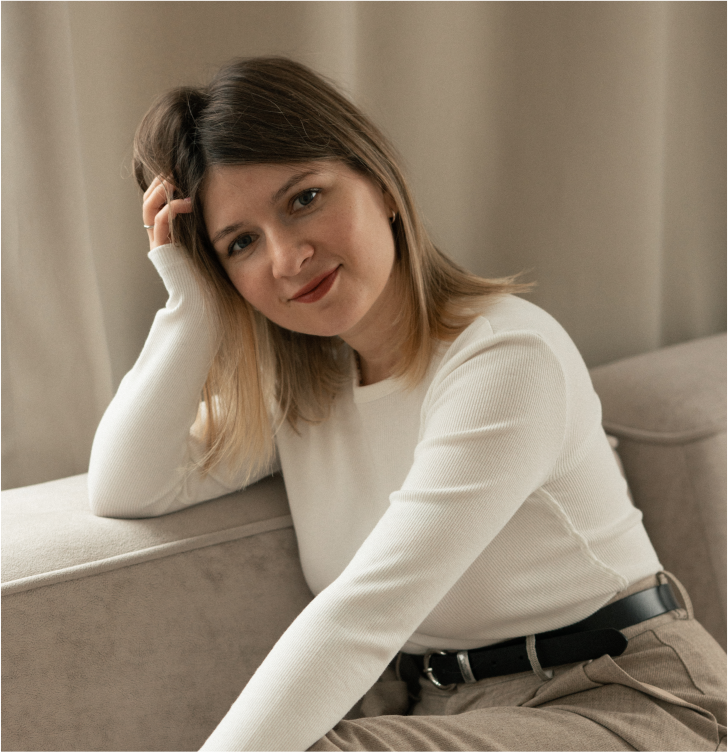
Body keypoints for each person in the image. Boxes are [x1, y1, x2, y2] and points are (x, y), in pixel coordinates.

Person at [88, 57, 726, 752]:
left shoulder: (507, 359)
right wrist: (192, 306)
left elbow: (364, 616)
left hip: (628, 698)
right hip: (449, 708)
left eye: (304, 199)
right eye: (241, 244)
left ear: (381, 184)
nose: (287, 257)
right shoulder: (304, 393)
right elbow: (127, 486)